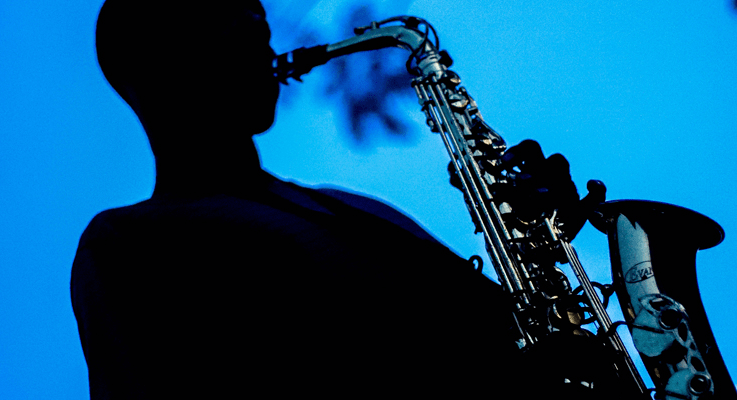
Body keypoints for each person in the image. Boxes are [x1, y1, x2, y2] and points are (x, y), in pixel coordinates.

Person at [71, 1, 609, 398]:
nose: (259, 21)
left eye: (255, 9)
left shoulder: (348, 206)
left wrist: (542, 234)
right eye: (226, 11)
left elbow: (499, 328)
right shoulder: (128, 242)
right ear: (155, 63)